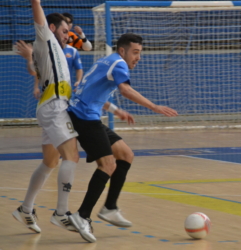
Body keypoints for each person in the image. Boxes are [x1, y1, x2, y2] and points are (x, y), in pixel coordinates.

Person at [67, 33, 178, 243]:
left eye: (140, 53)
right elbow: (125, 90)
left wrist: (115, 110)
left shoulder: (107, 61)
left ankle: (109, 207)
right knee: (108, 165)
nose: (138, 57)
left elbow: (91, 91)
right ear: (122, 51)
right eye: (135, 52)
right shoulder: (119, 64)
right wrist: (154, 107)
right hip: (83, 118)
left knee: (125, 155)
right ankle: (81, 216)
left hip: (85, 113)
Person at [12, 0, 79, 234]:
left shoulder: (53, 51)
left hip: (50, 106)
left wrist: (30, 58)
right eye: (63, 30)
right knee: (72, 155)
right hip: (54, 107)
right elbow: (37, 9)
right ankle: (61, 213)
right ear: (51, 29)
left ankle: (25, 209)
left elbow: (34, 70)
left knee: (51, 162)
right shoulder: (46, 38)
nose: (67, 36)